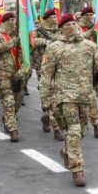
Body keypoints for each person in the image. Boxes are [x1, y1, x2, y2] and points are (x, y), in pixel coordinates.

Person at [39, 13, 98, 186]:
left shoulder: (90, 45)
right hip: (64, 96)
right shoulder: (54, 48)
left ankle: (66, 150)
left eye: (75, 22)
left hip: (85, 96)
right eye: (68, 24)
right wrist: (45, 98)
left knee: (81, 131)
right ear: (62, 28)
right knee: (73, 130)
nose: (73, 25)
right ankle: (77, 169)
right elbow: (46, 75)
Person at [0, 12, 25, 142]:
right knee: (8, 101)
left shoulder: (20, 36)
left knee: (18, 100)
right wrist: (11, 44)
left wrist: (23, 70)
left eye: (14, 19)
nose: (13, 21)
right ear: (4, 22)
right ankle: (12, 129)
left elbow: (25, 56)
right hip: (3, 74)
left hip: (17, 74)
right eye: (10, 19)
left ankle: (8, 118)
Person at [31, 9, 64, 140]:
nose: (55, 19)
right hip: (43, 66)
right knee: (47, 95)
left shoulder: (61, 30)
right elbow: (31, 40)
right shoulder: (39, 30)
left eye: (56, 17)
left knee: (58, 95)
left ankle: (46, 116)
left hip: (60, 67)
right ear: (48, 18)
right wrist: (45, 41)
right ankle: (56, 128)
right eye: (53, 17)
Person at [78, 7, 98, 138]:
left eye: (92, 14)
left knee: (93, 96)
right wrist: (93, 30)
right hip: (81, 70)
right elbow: (79, 38)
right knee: (91, 97)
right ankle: (96, 124)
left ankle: (85, 118)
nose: (90, 17)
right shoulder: (76, 28)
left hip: (95, 70)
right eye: (87, 14)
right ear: (82, 16)